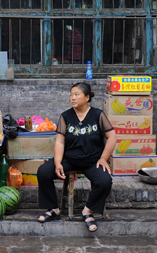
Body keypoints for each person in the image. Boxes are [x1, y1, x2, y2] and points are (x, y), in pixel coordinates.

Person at [36, 82, 116, 232]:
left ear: (87, 97)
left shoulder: (98, 115)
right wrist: (58, 162)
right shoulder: (65, 116)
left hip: (92, 161)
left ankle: (88, 210)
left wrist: (103, 158)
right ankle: (53, 209)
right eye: (71, 94)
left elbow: (112, 137)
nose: (73, 98)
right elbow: (60, 141)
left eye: (76, 94)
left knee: (105, 180)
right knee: (43, 172)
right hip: (69, 160)